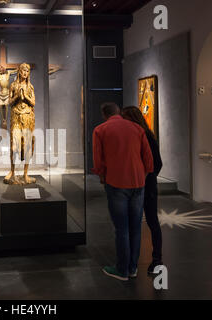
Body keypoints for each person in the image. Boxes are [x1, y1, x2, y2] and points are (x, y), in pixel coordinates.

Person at [92, 102, 154, 281]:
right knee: (135, 228)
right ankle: (133, 268)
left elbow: (98, 160)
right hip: (138, 184)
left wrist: (102, 177)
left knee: (122, 229)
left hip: (116, 183)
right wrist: (141, 175)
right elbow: (148, 160)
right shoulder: (137, 128)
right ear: (119, 112)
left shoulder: (100, 130)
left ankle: (122, 270)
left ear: (104, 115)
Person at [122, 106, 163, 274]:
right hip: (142, 185)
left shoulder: (144, 135)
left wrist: (145, 178)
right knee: (148, 223)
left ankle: (155, 260)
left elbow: (156, 163)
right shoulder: (144, 134)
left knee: (150, 223)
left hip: (144, 186)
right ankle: (148, 260)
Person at [4, 63, 36, 185]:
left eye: (27, 71)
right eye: (23, 70)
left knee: (27, 146)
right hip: (16, 117)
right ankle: (12, 171)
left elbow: (33, 102)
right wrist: (17, 95)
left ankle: (25, 174)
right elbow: (9, 102)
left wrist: (26, 97)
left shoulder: (30, 86)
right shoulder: (13, 85)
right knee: (14, 146)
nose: (25, 73)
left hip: (27, 117)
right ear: (19, 71)